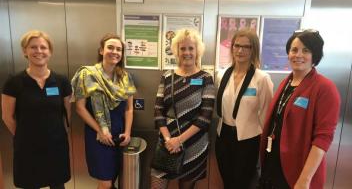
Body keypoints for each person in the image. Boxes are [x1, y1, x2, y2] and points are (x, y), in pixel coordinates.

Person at [259, 29, 340, 189]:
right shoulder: (286, 83)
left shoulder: (324, 88)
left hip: (297, 173)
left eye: (306, 50)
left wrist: (305, 180)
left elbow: (323, 138)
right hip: (273, 166)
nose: (298, 55)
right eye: (294, 50)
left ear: (314, 55)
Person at [1, 30, 71, 189]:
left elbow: (68, 113)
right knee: (30, 184)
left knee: (58, 185)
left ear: (50, 51)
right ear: (25, 51)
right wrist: (25, 135)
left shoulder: (61, 81)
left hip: (56, 145)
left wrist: (61, 133)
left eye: (43, 47)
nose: (39, 51)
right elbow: (7, 117)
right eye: (33, 47)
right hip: (27, 147)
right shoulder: (14, 83)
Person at [150, 29, 215, 189]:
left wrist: (179, 140)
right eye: (183, 48)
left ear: (197, 51)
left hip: (194, 143)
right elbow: (158, 110)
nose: (187, 52)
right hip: (166, 141)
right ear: (176, 51)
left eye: (191, 48)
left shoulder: (205, 78)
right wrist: (169, 140)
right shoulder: (167, 76)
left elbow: (205, 117)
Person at [71, 33, 136, 189]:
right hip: (97, 135)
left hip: (118, 135)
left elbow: (129, 108)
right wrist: (99, 130)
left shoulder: (125, 78)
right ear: (101, 51)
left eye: (119, 49)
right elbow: (80, 108)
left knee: (111, 179)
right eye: (110, 48)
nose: (114, 52)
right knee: (106, 182)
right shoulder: (87, 74)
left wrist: (127, 132)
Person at [215, 29, 274, 189]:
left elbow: (267, 114)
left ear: (253, 49)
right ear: (232, 47)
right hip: (223, 136)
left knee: (242, 183)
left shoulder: (262, 78)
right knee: (227, 181)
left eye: (246, 47)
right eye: (237, 45)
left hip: (248, 140)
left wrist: (263, 144)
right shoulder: (222, 74)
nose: (240, 50)